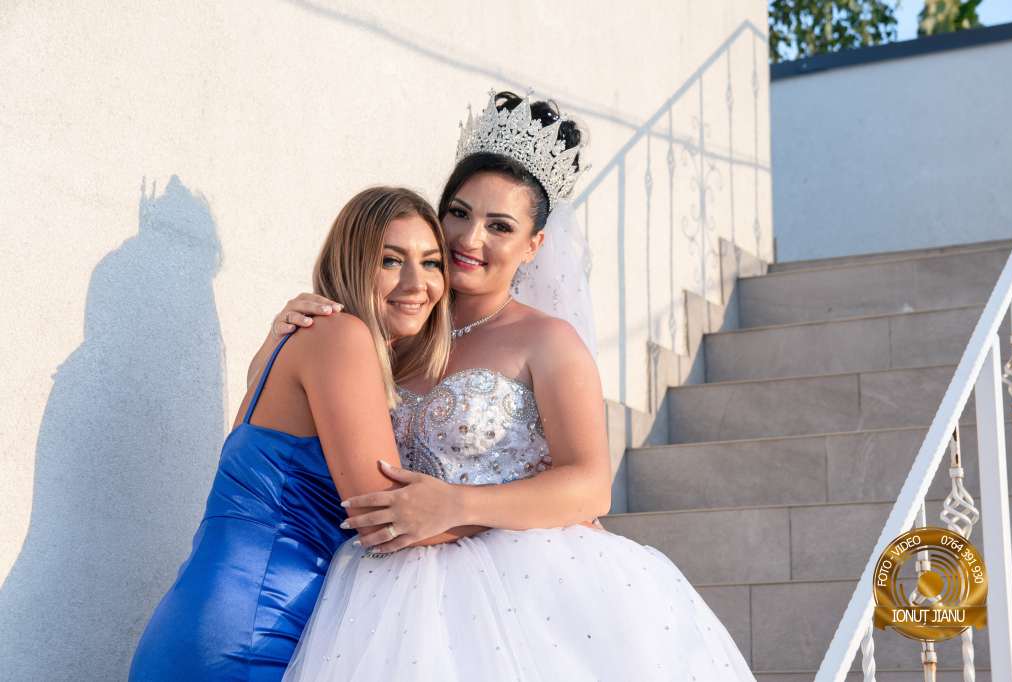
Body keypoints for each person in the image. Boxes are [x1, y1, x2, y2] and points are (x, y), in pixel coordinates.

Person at [279, 92, 756, 681]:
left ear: (534, 245)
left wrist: (457, 505)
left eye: (499, 226)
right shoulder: (391, 333)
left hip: (528, 585)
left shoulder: (547, 340)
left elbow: (590, 485)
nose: (469, 238)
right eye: (458, 213)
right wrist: (298, 324)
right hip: (387, 590)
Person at [129, 187, 457, 681]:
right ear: (351, 264)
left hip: (222, 614)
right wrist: (509, 516)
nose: (417, 283)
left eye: (431, 263)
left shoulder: (309, 339)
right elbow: (383, 517)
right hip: (252, 630)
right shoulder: (341, 336)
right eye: (391, 260)